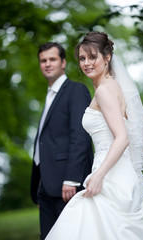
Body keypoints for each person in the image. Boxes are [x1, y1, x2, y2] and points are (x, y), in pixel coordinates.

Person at [44, 31, 143, 240]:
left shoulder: (104, 91)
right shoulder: (117, 87)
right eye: (82, 58)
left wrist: (98, 176)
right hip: (123, 174)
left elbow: (122, 137)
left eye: (92, 57)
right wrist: (127, 161)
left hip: (109, 176)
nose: (86, 63)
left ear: (107, 58)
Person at [30, 42, 93, 240]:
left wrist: (71, 179)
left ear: (63, 62)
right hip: (46, 187)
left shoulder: (76, 91)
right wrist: (42, 184)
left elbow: (80, 136)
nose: (47, 64)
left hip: (67, 186)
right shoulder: (49, 96)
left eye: (52, 59)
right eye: (43, 60)